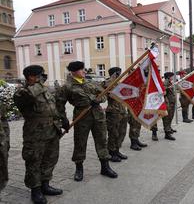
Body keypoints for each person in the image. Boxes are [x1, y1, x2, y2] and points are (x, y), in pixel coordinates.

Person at [56, 61, 117, 182]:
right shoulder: (67, 87)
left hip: (98, 115)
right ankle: (79, 168)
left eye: (83, 69)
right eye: (81, 69)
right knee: (80, 142)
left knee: (102, 140)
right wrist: (63, 120)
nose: (84, 71)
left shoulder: (91, 82)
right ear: (73, 72)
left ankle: (105, 167)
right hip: (81, 116)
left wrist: (98, 100)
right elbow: (59, 104)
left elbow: (104, 95)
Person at [13, 65, 64, 204]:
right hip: (35, 133)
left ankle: (45, 185)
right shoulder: (22, 92)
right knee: (34, 161)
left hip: (51, 130)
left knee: (50, 158)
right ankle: (35, 190)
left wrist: (62, 119)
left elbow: (52, 108)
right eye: (41, 75)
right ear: (31, 76)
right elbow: (29, 96)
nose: (43, 78)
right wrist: (39, 84)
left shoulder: (44, 90)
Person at [103, 67, 128, 162]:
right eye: (118, 73)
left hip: (122, 111)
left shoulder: (119, 83)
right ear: (114, 74)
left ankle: (117, 150)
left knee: (122, 132)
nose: (120, 74)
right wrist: (112, 78)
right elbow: (105, 91)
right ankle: (111, 152)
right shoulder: (108, 82)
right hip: (113, 112)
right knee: (113, 133)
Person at [161, 72, 176, 140]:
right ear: (168, 77)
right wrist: (166, 88)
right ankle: (167, 133)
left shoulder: (169, 82)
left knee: (171, 116)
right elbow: (163, 90)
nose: (172, 77)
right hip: (168, 103)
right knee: (167, 118)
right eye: (171, 76)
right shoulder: (165, 82)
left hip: (171, 102)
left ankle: (169, 128)